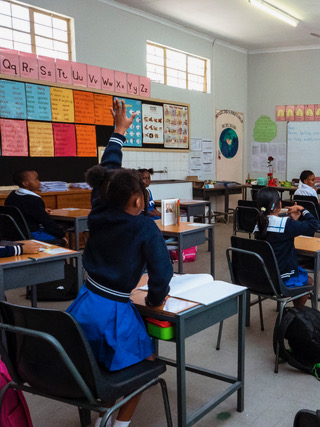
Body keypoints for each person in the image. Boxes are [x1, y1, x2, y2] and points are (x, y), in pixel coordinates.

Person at [66, 99, 173, 427]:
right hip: (113, 312)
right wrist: (155, 299)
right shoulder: (143, 226)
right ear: (140, 199)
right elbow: (162, 272)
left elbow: (108, 169)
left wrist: (118, 131)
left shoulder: (99, 207)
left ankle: (104, 412)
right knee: (146, 363)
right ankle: (116, 424)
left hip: (83, 305)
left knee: (95, 361)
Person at [254, 187, 319, 307]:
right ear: (279, 204)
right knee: (308, 282)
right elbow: (314, 224)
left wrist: (294, 221)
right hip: (281, 278)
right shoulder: (286, 224)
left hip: (262, 276)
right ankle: (298, 313)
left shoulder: (259, 224)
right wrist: (302, 209)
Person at [4, 170, 68, 246]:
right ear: (25, 183)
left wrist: (41, 210)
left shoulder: (12, 196)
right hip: (31, 234)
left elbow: (22, 209)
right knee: (61, 240)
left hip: (15, 234)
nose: (39, 182)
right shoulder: (33, 200)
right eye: (36, 179)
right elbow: (46, 221)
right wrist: (62, 235)